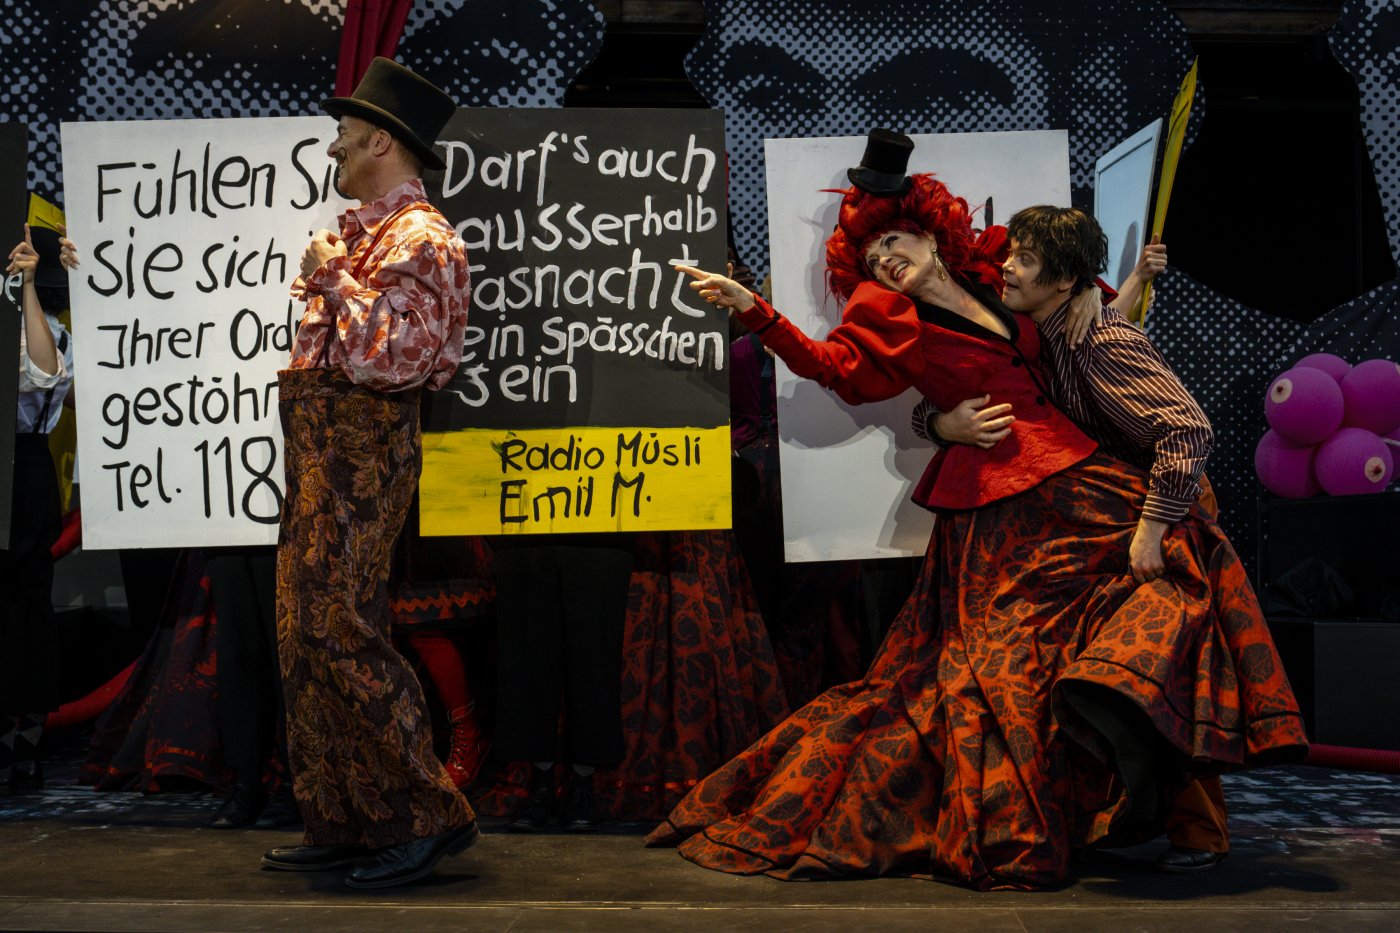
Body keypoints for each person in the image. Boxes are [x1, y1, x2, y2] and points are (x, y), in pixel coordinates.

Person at [651, 129, 1307, 890]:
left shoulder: (1001, 277)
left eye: (895, 240)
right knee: (1002, 673)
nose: (887, 259)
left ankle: (1177, 816)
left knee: (1162, 608)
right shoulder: (890, 318)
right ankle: (1076, 814)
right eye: (872, 259)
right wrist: (760, 314)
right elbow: (836, 370)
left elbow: (1067, 308)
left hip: (1084, 482)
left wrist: (1120, 291)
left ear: (929, 232)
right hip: (1002, 510)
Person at [917, 211, 1229, 872]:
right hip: (1100, 520)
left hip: (1161, 515)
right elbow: (948, 387)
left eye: (1024, 259)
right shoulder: (1040, 327)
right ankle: (1130, 816)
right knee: (1107, 674)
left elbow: (1190, 429)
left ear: (1061, 280)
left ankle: (1198, 830)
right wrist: (942, 422)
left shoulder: (1100, 336)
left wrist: (1151, 531)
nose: (1006, 266)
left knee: (1155, 668)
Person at [260, 57, 475, 890]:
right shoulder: (362, 233)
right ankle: (348, 816)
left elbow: (400, 359)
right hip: (321, 451)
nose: (336, 151)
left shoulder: (422, 237)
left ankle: (426, 812)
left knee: (339, 628)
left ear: (380, 139)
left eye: (344, 138)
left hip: (359, 452)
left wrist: (332, 276)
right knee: (303, 633)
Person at [1, 223, 77, 795]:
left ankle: (25, 739)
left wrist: (25, 287)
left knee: (27, 603)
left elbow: (43, 373)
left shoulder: (50, 329)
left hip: (24, 472)